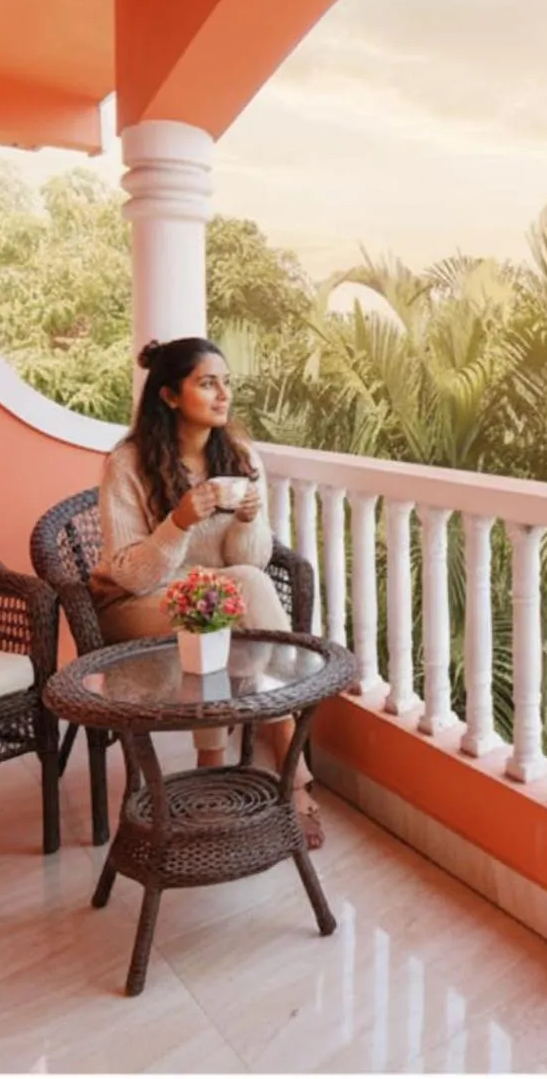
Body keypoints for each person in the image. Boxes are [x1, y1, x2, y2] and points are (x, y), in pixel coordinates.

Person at [90, 336, 322, 847]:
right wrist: (177, 522)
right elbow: (130, 573)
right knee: (224, 598)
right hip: (133, 605)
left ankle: (212, 766)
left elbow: (251, 560)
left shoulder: (239, 455)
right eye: (207, 383)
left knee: (228, 598)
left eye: (227, 384)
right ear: (170, 396)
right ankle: (293, 770)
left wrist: (249, 519)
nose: (223, 396)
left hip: (213, 600)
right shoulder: (128, 463)